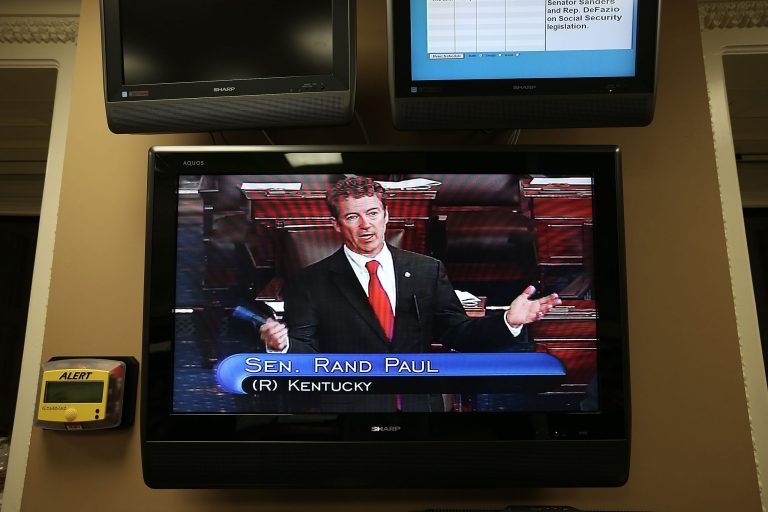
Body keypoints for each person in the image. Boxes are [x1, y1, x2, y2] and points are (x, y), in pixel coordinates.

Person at [259, 176, 560, 411]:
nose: (365, 225)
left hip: (420, 410)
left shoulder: (426, 270)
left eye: (373, 213)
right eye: (352, 217)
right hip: (353, 414)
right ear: (336, 225)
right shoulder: (309, 283)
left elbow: (458, 333)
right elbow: (308, 356)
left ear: (386, 215)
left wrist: (508, 321)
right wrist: (281, 348)